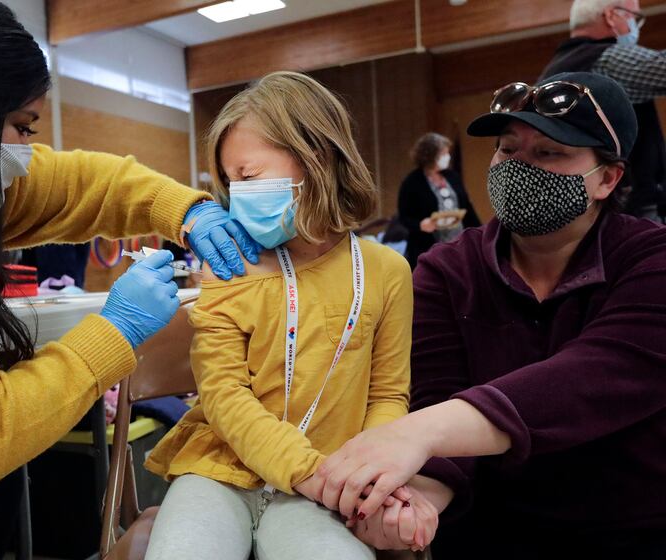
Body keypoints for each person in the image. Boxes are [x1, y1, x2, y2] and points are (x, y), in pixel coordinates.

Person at [0, 1, 260, 558]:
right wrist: (115, 330)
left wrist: (184, 208)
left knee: (1, 496)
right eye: (21, 128)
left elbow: (85, 182)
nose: (28, 153)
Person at [305, 71, 666, 559]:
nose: (519, 167)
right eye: (508, 149)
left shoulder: (650, 258)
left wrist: (421, 432)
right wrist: (415, 502)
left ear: (607, 177)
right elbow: (435, 393)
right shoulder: (447, 270)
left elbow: (600, 374)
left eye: (548, 153)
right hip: (491, 527)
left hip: (629, 526)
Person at [142, 71, 438, 560]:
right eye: (229, 181)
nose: (236, 196)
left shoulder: (386, 271)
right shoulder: (228, 267)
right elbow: (222, 395)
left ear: (315, 156)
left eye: (248, 176)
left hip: (329, 480)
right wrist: (310, 474)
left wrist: (373, 474)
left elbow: (387, 393)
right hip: (222, 473)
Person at [541, 0, 666, 221]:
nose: (637, 26)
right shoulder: (605, 59)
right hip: (630, 206)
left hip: (580, 207)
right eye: (635, 18)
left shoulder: (553, 71)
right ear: (611, 16)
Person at [397, 133, 480, 268]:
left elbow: (467, 207)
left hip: (458, 242)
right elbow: (404, 217)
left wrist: (479, 233)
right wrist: (420, 225)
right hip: (428, 245)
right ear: (430, 155)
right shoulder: (412, 182)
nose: (447, 157)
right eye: (443, 153)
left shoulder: (452, 176)